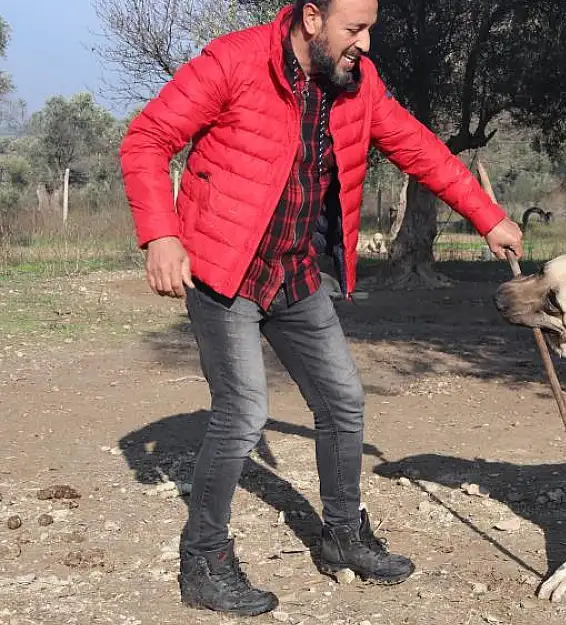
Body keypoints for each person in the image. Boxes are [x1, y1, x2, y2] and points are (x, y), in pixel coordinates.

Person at [119, 0, 523, 617]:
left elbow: (417, 147)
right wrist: (162, 234)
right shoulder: (234, 61)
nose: (365, 42)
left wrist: (487, 216)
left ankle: (343, 537)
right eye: (354, 29)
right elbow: (147, 138)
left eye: (370, 29)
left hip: (295, 272)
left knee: (342, 401)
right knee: (244, 412)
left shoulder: (358, 82)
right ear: (312, 18)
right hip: (225, 271)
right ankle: (202, 560)